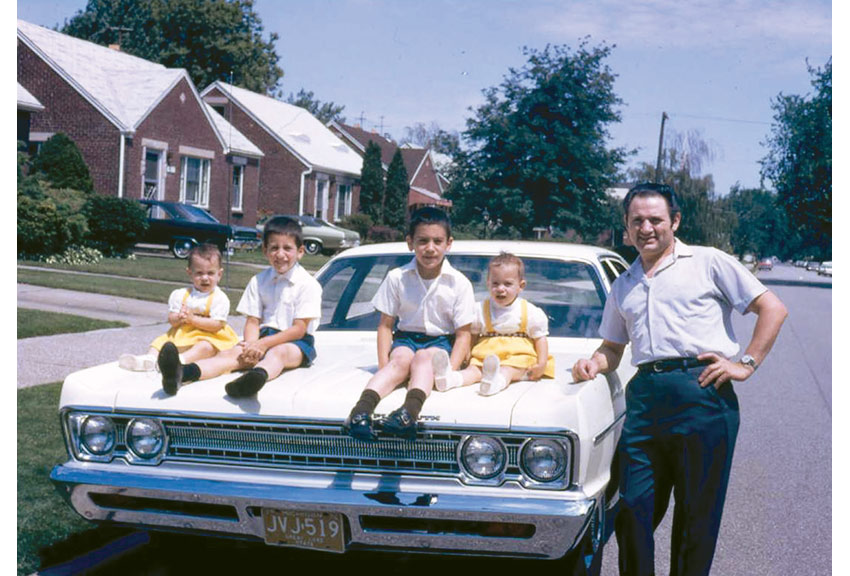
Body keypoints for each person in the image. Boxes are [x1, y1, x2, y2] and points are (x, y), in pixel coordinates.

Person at [571, 182, 788, 576]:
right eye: (637, 220)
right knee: (632, 510)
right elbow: (613, 348)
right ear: (626, 225)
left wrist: (746, 363)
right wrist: (594, 363)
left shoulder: (708, 262)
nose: (646, 228)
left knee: (695, 519)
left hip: (703, 396)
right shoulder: (624, 283)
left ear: (675, 221)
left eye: (656, 219)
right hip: (647, 400)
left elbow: (772, 308)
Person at [344, 207, 475, 441]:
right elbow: (386, 325)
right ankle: (360, 412)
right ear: (410, 243)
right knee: (400, 360)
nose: (430, 248)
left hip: (441, 341)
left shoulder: (459, 283)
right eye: (422, 241)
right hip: (405, 338)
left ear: (449, 243)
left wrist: (450, 372)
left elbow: (463, 334)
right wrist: (385, 364)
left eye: (437, 241)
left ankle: (408, 414)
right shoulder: (397, 277)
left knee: (424, 359)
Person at [157, 216, 322, 398]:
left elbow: (299, 330)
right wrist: (251, 345)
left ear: (300, 252)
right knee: (228, 355)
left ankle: (254, 379)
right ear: (265, 250)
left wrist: (262, 345)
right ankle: (180, 374)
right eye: (274, 248)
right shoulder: (258, 281)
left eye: (287, 248)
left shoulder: (308, 284)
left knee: (278, 353)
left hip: (296, 343)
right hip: (262, 337)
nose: (280, 254)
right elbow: (253, 321)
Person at [431, 252, 554, 395]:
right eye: (495, 283)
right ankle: (450, 379)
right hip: (486, 354)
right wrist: (467, 355)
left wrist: (542, 363)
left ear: (521, 286)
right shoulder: (480, 309)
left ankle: (495, 383)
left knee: (507, 370)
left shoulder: (530, 312)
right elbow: (473, 336)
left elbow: (540, 339)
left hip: (517, 357)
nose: (500, 288)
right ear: (488, 284)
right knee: (473, 370)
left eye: (507, 284)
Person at [119, 244, 238, 372]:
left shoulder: (219, 298)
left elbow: (217, 325)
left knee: (206, 348)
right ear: (190, 273)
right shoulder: (181, 294)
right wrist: (179, 318)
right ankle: (149, 360)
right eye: (199, 273)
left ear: (219, 274)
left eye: (210, 273)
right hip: (183, 333)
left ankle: (179, 362)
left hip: (209, 336)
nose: (204, 278)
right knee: (160, 342)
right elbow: (172, 319)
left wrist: (192, 319)